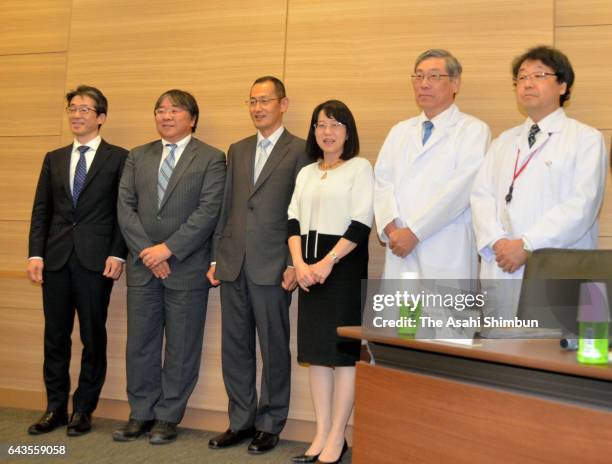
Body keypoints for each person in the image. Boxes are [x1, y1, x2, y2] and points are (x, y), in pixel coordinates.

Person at [113, 89, 226, 444]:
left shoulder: (211, 158)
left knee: (182, 345)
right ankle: (141, 412)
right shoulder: (137, 156)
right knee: (140, 343)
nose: (166, 116)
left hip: (187, 267)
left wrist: (168, 250)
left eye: (174, 110)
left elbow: (208, 213)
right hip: (143, 266)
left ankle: (168, 416)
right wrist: (149, 252)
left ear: (192, 118)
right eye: (160, 110)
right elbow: (125, 209)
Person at [207, 76, 309, 454]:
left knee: (273, 347)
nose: (257, 108)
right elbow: (227, 207)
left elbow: (302, 214)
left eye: (265, 101)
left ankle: (270, 422)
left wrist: (291, 262)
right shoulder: (237, 149)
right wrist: (217, 256)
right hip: (233, 264)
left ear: (283, 104)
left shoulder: (301, 150)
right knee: (235, 348)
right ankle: (241, 421)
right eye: (252, 101)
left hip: (273, 266)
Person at [471, 45, 607, 318]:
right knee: (497, 352)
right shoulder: (503, 142)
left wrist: (526, 244)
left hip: (555, 264)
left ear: (562, 86)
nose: (528, 83)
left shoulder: (586, 139)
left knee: (548, 352)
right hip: (501, 264)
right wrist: (498, 242)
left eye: (539, 75)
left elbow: (582, 206)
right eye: (521, 77)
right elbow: (480, 196)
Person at [27, 85, 128, 436]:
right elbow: (42, 210)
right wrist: (35, 253)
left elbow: (122, 212)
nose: (77, 114)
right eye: (73, 108)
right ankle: (55, 407)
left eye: (85, 109)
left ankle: (83, 409)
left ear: (101, 117)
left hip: (95, 261)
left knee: (92, 336)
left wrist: (118, 252)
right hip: (54, 259)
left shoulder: (118, 158)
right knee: (54, 337)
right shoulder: (53, 158)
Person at [288, 100, 373, 464]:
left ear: (348, 132)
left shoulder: (359, 168)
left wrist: (325, 263)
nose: (327, 131)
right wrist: (300, 263)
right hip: (308, 267)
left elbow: (360, 223)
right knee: (317, 355)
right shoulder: (306, 172)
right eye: (321, 124)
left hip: (344, 266)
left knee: (343, 355)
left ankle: (339, 435)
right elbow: (292, 221)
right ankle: (321, 431)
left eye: (336, 125)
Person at [374, 49, 490, 280]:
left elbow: (460, 192)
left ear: (455, 83)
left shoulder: (474, 131)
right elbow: (382, 185)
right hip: (400, 249)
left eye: (434, 76)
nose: (423, 84)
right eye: (418, 76)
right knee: (401, 315)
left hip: (446, 249)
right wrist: (392, 230)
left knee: (442, 315)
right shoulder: (399, 131)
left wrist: (415, 232)